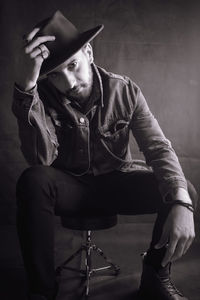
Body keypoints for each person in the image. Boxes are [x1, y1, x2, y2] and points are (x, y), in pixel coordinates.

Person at [12, 10, 198, 300]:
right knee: (33, 179)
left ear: (89, 52)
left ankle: (155, 276)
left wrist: (181, 202)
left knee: (183, 190)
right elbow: (42, 159)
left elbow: (157, 147)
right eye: (55, 75)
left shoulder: (124, 91)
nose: (70, 82)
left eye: (73, 65)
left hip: (117, 180)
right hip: (69, 186)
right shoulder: (41, 96)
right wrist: (27, 89)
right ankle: (42, 291)